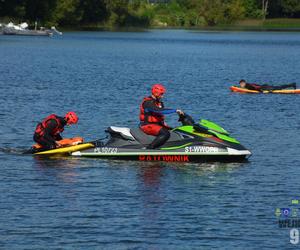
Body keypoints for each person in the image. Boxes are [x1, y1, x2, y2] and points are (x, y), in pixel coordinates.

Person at [140, 84, 184, 149]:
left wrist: (163, 123)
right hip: (147, 125)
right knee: (165, 133)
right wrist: (175, 110)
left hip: (156, 125)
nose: (162, 96)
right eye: (161, 94)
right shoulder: (148, 103)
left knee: (175, 131)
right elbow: (159, 111)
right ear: (156, 93)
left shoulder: (159, 103)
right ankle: (149, 148)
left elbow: (159, 115)